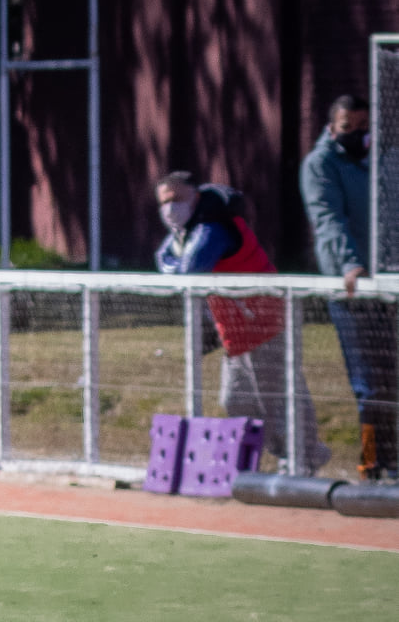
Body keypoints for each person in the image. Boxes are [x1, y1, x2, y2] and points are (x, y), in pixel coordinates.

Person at [154, 171, 329, 475]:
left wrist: (172, 265)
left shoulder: (213, 227)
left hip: (265, 322)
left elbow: (188, 271)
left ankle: (306, 458)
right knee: (235, 399)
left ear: (195, 196)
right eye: (165, 202)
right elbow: (163, 257)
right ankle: (253, 466)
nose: (171, 208)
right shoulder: (188, 232)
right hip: (234, 332)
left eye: (177, 199)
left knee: (280, 399)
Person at [301, 93, 396, 481]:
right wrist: (349, 264)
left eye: (362, 128)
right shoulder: (320, 164)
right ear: (331, 128)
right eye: (347, 129)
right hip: (351, 290)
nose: (356, 135)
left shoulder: (376, 163)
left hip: (385, 287)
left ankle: (393, 461)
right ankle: (371, 462)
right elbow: (328, 220)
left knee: (391, 380)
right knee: (369, 384)